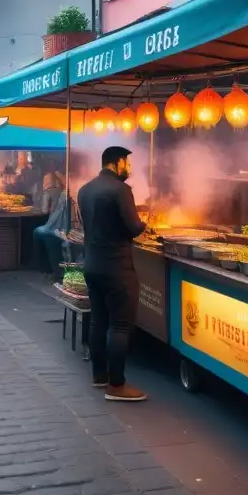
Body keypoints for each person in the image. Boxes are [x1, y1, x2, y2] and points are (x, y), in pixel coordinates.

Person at [77, 146, 147, 403]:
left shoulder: (85, 190)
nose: (128, 168)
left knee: (98, 321)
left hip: (92, 264)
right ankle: (117, 385)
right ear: (117, 163)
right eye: (126, 163)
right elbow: (132, 228)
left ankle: (99, 376)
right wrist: (145, 223)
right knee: (120, 325)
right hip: (117, 267)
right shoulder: (121, 190)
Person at [34, 191, 73, 284]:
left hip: (64, 228)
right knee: (38, 232)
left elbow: (46, 211)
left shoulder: (68, 196)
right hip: (56, 226)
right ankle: (47, 270)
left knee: (47, 235)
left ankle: (55, 272)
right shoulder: (62, 194)